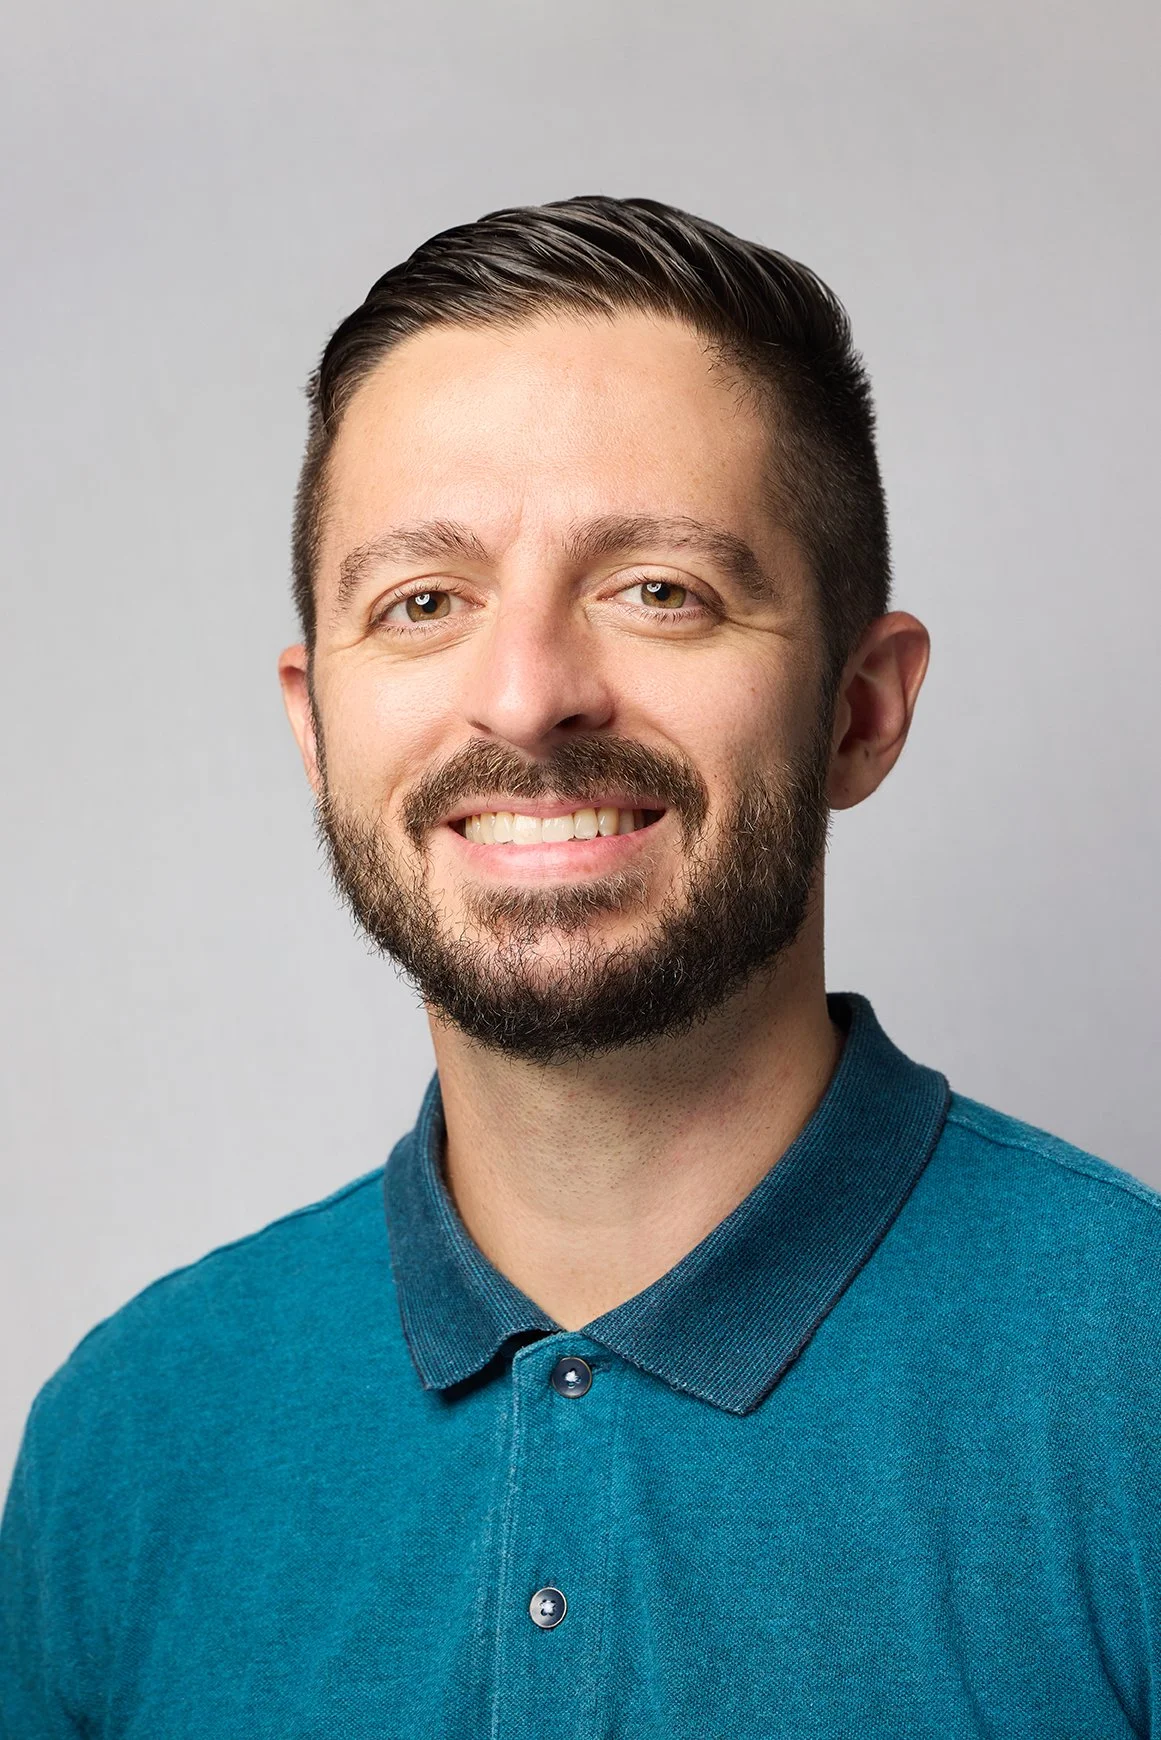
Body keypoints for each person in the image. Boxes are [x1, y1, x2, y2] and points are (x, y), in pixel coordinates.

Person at [2, 195, 1159, 1740]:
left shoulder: (1133, 1387)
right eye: (425, 602)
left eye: (660, 590)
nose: (530, 694)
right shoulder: (127, 1443)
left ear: (861, 712)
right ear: (315, 722)